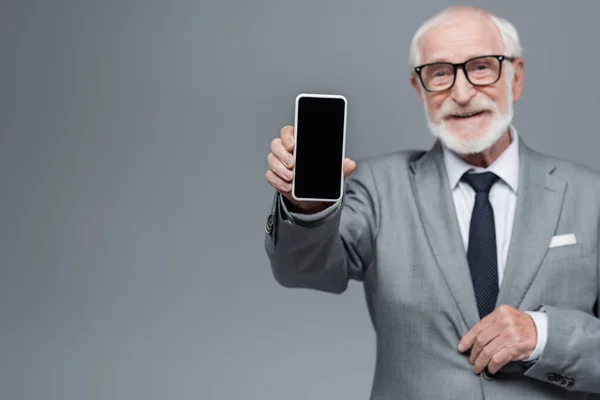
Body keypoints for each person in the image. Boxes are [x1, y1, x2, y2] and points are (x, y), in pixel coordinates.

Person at [263, 5, 600, 399]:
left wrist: (544, 336)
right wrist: (307, 208)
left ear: (516, 77)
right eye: (439, 73)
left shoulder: (590, 195)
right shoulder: (378, 187)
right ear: (418, 89)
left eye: (481, 67)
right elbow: (303, 270)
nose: (460, 93)